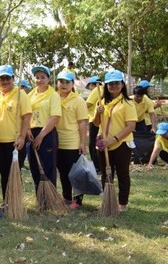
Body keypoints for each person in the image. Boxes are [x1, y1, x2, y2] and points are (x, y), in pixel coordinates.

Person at [93, 70, 136, 212]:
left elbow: (131, 126)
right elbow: (95, 123)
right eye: (110, 84)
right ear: (106, 86)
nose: (114, 86)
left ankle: (122, 203)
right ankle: (107, 201)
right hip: (104, 144)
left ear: (122, 85)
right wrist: (98, 113)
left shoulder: (128, 103)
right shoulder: (101, 101)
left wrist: (114, 139)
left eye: (117, 83)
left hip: (121, 143)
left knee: (122, 173)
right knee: (106, 173)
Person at [0, 65, 32, 200]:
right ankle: (6, 201)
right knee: (3, 173)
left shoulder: (21, 95)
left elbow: (26, 117)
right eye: (2, 78)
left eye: (8, 78)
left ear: (13, 79)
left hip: (14, 142)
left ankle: (15, 202)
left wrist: (22, 137)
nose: (5, 81)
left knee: (13, 173)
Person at [55, 71, 88, 209]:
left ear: (72, 84)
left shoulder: (78, 100)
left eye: (67, 82)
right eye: (61, 81)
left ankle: (78, 200)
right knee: (62, 171)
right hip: (57, 141)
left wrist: (82, 142)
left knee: (75, 172)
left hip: (72, 141)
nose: (64, 84)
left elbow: (82, 122)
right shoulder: (53, 97)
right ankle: (66, 196)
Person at [26, 65, 61, 190]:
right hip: (31, 134)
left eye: (43, 77)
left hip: (47, 133)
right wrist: (28, 129)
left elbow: (55, 117)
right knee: (35, 167)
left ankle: (50, 197)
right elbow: (25, 115)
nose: (39, 80)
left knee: (47, 167)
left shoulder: (53, 95)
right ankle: (40, 197)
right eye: (37, 77)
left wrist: (41, 136)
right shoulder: (30, 95)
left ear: (48, 79)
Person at [85, 76, 103, 173]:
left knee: (92, 144)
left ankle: (97, 166)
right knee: (100, 142)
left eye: (90, 87)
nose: (90, 89)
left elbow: (87, 104)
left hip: (94, 119)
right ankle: (101, 165)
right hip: (103, 120)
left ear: (93, 84)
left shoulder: (97, 89)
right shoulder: (105, 89)